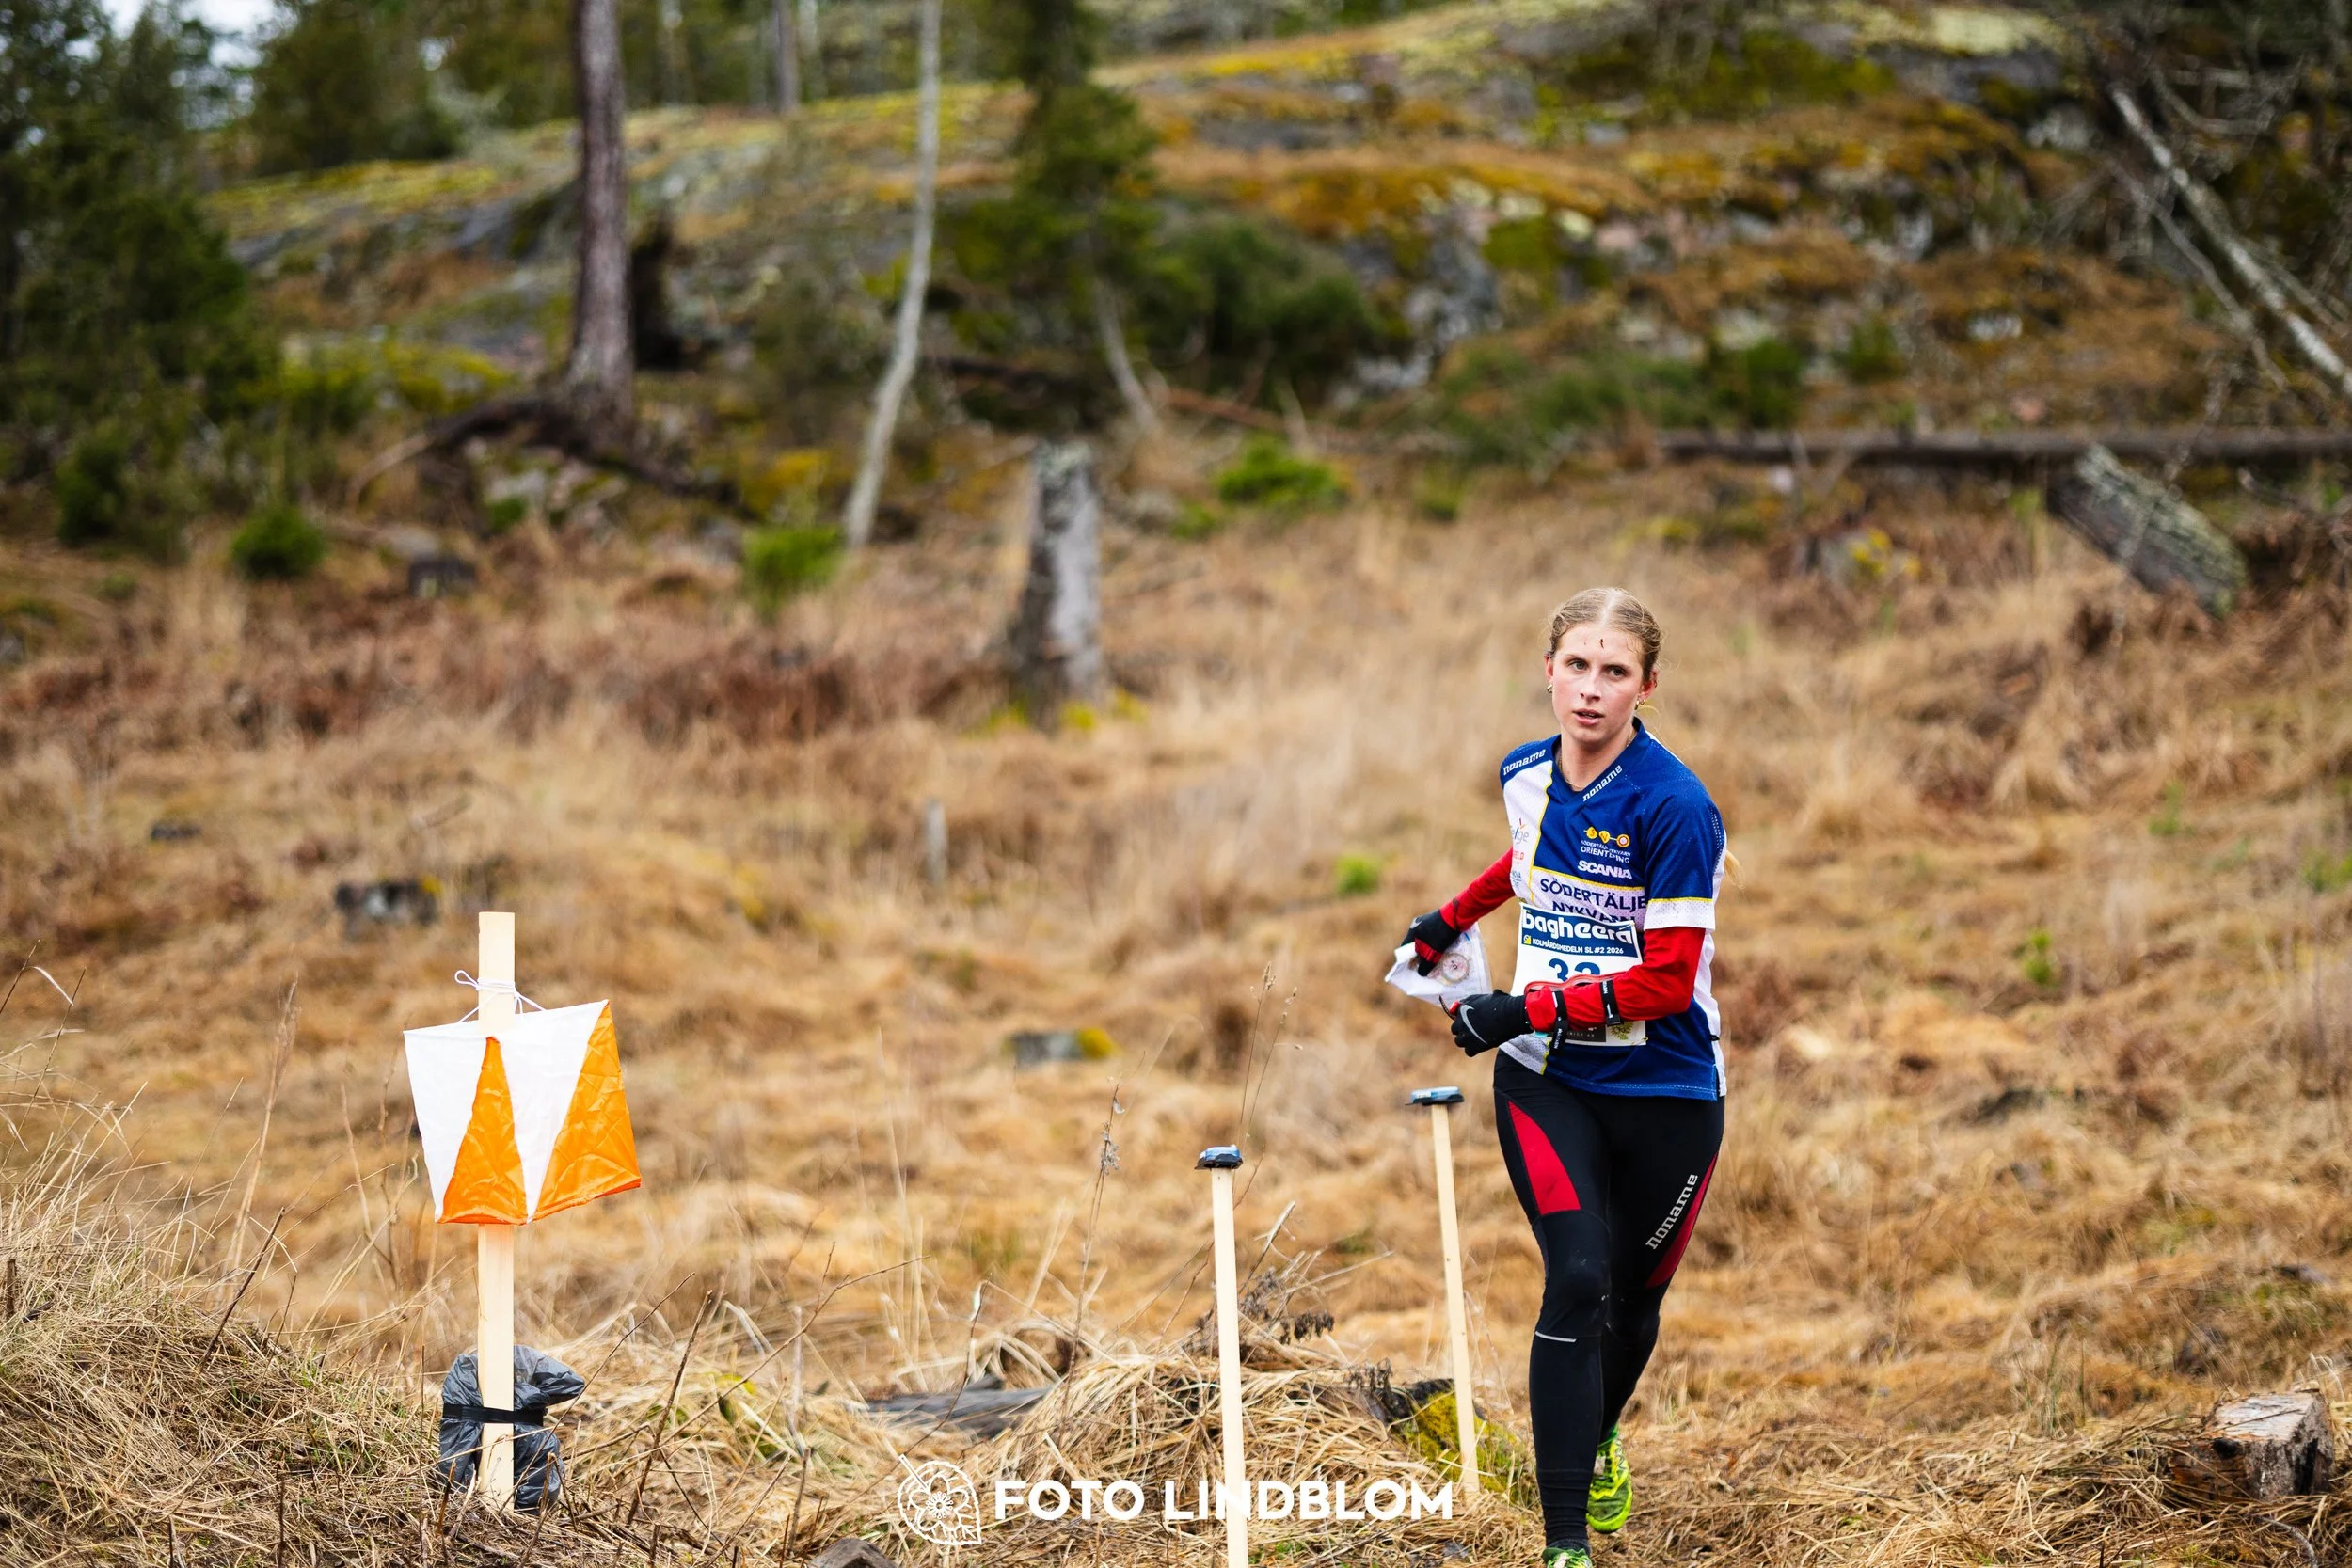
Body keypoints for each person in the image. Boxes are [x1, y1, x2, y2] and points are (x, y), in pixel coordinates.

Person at [1401, 587, 1726, 1568]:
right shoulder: (1524, 770)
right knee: (1577, 1275)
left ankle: (1600, 1432)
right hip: (1546, 1077)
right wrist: (1452, 916)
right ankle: (1564, 1541)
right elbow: (1530, 858)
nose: (1590, 689)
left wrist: (1521, 1003)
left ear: (1646, 685)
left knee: (1630, 1303)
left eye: (1613, 671)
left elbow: (1668, 981)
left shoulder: (1675, 805)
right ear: (1547, 669)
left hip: (1668, 1092)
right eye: (1575, 666)